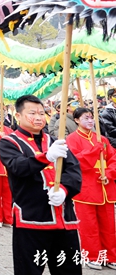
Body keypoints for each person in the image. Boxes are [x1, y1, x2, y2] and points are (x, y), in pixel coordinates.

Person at [0, 94, 82, 275]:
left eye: (41, 112)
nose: (38, 117)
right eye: (32, 113)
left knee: (70, 270)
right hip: (31, 220)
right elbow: (19, 167)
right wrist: (47, 157)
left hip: (64, 219)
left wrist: (65, 190)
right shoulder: (8, 143)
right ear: (18, 115)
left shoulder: (56, 141)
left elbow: (74, 171)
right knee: (29, 271)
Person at [66, 107, 116, 269]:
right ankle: (92, 256)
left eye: (91, 118)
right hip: (85, 187)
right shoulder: (72, 139)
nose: (90, 121)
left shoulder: (102, 139)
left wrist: (109, 173)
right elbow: (75, 161)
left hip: (104, 186)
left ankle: (110, 256)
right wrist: (95, 150)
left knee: (109, 226)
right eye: (86, 118)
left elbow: (114, 159)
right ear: (77, 120)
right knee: (89, 226)